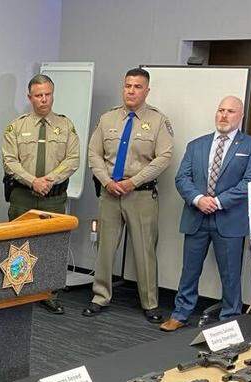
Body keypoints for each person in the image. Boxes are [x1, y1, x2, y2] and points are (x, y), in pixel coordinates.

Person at [85, 67, 174, 322]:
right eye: (127, 86)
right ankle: (99, 296)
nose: (131, 91)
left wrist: (133, 182)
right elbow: (94, 154)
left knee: (144, 249)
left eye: (137, 87)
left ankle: (150, 303)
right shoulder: (108, 119)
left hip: (141, 195)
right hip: (110, 192)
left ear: (147, 90)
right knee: (105, 247)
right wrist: (106, 181)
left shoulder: (158, 121)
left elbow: (164, 157)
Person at [2, 73, 80, 314]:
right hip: (23, 195)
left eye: (47, 94)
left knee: (51, 246)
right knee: (18, 246)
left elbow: (73, 159)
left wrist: (49, 180)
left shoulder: (66, 125)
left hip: (53, 196)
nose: (44, 100)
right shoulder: (17, 126)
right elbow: (9, 161)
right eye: (38, 95)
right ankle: (18, 293)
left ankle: (49, 293)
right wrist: (32, 181)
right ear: (30, 97)